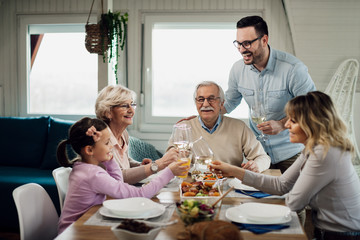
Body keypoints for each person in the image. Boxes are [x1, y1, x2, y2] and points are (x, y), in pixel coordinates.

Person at [211, 91, 360, 239]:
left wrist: (245, 209)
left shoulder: (323, 154)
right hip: (328, 230)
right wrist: (234, 171)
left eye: (293, 121)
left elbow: (294, 203)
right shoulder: (314, 148)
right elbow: (281, 184)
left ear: (312, 123)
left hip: (343, 234)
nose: (287, 125)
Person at [56, 117, 188, 234]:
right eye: (107, 143)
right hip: (76, 232)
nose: (111, 147)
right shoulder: (93, 175)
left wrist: (110, 161)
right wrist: (169, 172)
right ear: (89, 150)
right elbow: (140, 195)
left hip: (82, 226)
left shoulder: (83, 168)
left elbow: (118, 186)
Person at [222, 15, 316, 173]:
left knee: (293, 197)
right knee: (257, 197)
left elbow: (312, 106)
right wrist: (203, 114)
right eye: (238, 44)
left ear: (264, 40)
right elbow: (229, 102)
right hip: (258, 154)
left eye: (247, 43)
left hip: (292, 152)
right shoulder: (237, 70)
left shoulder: (293, 69)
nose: (241, 49)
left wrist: (281, 124)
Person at [169, 81, 270, 173]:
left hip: (231, 183)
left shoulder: (239, 127)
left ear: (222, 103)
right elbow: (170, 159)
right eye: (200, 99)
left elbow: (263, 157)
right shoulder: (184, 128)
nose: (205, 104)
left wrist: (256, 165)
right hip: (194, 184)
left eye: (211, 99)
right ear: (196, 103)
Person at [95, 85, 179, 184]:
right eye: (125, 106)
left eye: (132, 105)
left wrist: (140, 166)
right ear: (108, 112)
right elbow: (118, 177)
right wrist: (157, 164)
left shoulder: (123, 134)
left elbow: (124, 162)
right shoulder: (100, 139)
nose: (131, 110)